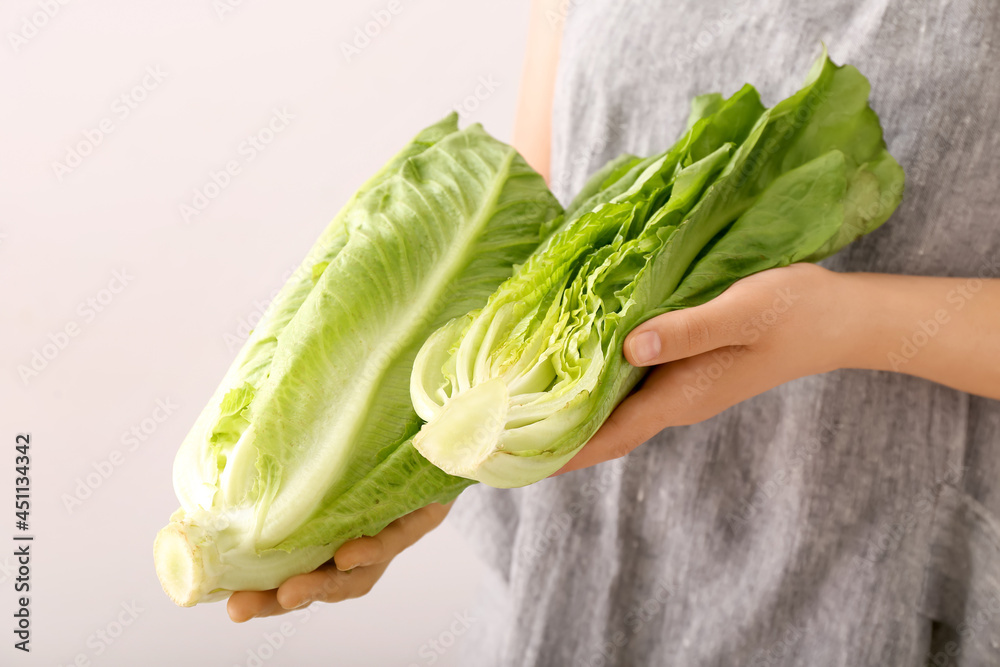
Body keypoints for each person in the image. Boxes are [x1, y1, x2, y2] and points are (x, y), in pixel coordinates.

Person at [229, 1, 1000, 664]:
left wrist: (846, 324)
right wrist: (406, 470)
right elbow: (541, 207)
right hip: (565, 564)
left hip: (874, 579)